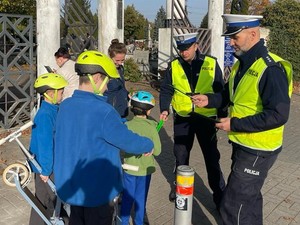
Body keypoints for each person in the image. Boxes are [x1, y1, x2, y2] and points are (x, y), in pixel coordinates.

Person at [192, 14, 293, 225]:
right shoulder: (242, 65)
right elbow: (230, 97)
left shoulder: (270, 69)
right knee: (250, 199)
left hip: (258, 149)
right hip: (243, 143)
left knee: (234, 204)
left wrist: (234, 124)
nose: (231, 42)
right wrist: (209, 100)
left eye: (235, 37)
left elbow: (279, 115)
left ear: (253, 34)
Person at [53, 50, 154, 225]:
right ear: (97, 77)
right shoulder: (104, 112)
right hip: (96, 191)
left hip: (72, 188)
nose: (108, 86)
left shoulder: (65, 105)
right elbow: (128, 141)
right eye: (107, 80)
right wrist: (148, 144)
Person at [159, 32, 226, 208]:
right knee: (181, 156)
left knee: (211, 159)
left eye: (187, 48)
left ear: (196, 46)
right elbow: (166, 89)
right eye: (180, 49)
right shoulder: (174, 65)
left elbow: (221, 91)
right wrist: (164, 109)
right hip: (183, 118)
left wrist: (222, 115)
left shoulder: (210, 63)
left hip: (206, 119)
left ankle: (220, 196)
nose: (183, 52)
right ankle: (179, 188)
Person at [29, 73, 68, 225]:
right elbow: (45, 145)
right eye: (61, 91)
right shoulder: (45, 115)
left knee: (49, 201)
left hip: (52, 165)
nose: (62, 94)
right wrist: (45, 170)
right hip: (47, 168)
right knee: (45, 201)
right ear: (50, 93)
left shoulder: (53, 110)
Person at [120, 91, 161, 225]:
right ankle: (139, 222)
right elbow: (158, 150)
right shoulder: (151, 128)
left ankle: (123, 221)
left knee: (127, 197)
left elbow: (123, 145)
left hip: (129, 168)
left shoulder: (126, 125)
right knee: (140, 199)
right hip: (144, 171)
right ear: (148, 111)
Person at [104, 39, 129, 120]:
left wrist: (128, 94)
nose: (120, 63)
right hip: (110, 112)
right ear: (110, 57)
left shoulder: (121, 69)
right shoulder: (104, 72)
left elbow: (121, 87)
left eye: (122, 60)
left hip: (122, 109)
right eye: (117, 60)